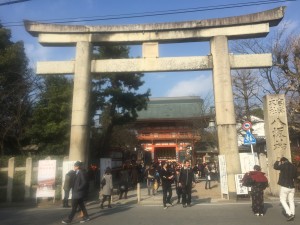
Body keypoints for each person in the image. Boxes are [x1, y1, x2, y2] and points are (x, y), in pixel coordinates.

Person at [274, 157, 298, 221]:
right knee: (291, 201)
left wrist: (277, 161)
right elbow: (295, 176)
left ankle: (289, 214)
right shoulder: (293, 166)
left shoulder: (283, 165)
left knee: (282, 200)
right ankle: (293, 213)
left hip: (285, 186)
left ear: (282, 161)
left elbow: (275, 167)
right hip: (292, 186)